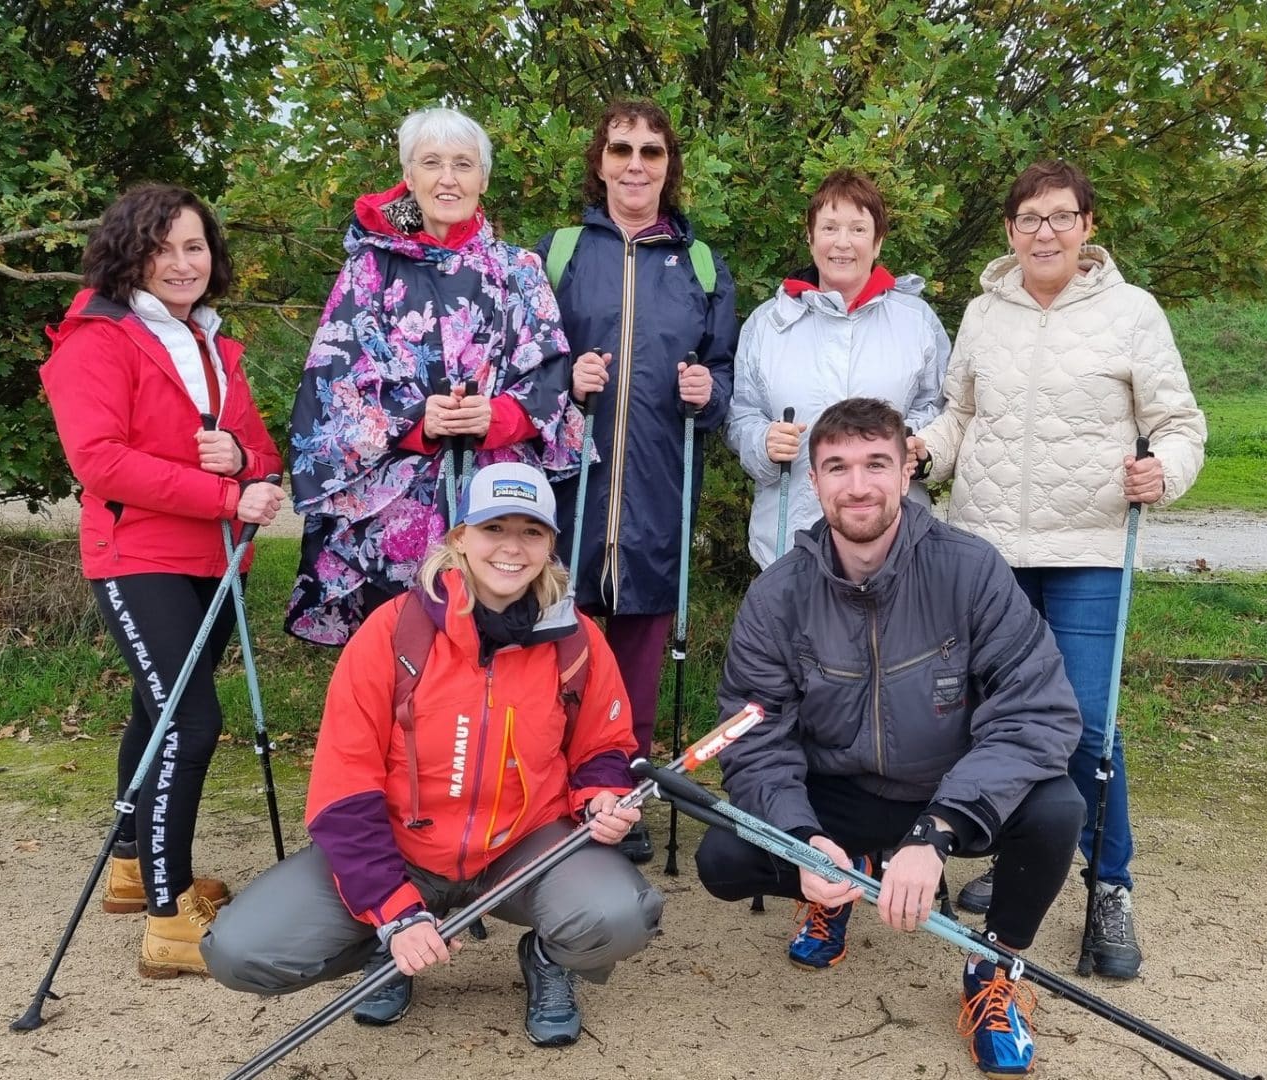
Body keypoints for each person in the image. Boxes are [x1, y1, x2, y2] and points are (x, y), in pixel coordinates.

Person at [204, 462, 660, 1046]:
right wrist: (393, 908)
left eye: (531, 532)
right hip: (403, 850)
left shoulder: (576, 639)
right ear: (458, 538)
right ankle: (388, 945)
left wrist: (601, 796)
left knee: (622, 914)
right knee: (241, 953)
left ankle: (550, 958)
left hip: (521, 847)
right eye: (495, 528)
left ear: (550, 545)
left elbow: (604, 746)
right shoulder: (392, 633)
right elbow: (344, 789)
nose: (512, 549)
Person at [696, 398, 1085, 1075]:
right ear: (812, 482)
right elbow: (755, 737)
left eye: (877, 462)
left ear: (907, 469)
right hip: (839, 793)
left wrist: (938, 831)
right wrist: (803, 837)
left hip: (949, 790)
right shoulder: (777, 594)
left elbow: (1037, 713)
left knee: (1059, 808)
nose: (858, 485)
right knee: (726, 856)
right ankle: (839, 882)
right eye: (837, 466)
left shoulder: (971, 569)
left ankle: (993, 967)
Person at [918, 160, 1207, 982]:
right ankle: (1018, 863)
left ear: (1088, 225)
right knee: (988, 723)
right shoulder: (984, 312)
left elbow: (1179, 423)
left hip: (1087, 552)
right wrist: (922, 452)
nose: (1044, 232)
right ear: (1009, 231)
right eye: (1029, 219)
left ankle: (1108, 882)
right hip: (987, 553)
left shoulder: (1131, 313)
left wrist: (1167, 471)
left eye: (1061, 217)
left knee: (1084, 728)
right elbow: (959, 417)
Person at [41, 183, 286, 978]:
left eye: (194, 246)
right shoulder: (96, 339)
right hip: (137, 554)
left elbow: (259, 451)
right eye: (163, 247)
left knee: (156, 713)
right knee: (192, 722)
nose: (182, 263)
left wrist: (244, 466)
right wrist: (224, 490)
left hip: (215, 562)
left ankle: (127, 864)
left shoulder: (212, 343)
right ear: (130, 253)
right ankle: (168, 913)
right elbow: (99, 461)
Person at [285, 106, 582, 647]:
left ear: (483, 179)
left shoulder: (518, 270)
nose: (449, 178)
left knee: (492, 647)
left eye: (464, 164)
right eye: (432, 163)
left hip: (494, 498)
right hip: (396, 499)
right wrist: (417, 422)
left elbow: (550, 372)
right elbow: (333, 383)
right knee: (401, 650)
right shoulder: (369, 270)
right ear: (410, 176)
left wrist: (498, 417)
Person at [537, 99, 738, 862]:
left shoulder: (701, 264)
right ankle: (552, 800)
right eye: (621, 148)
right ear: (599, 160)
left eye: (651, 152)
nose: (635, 163)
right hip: (570, 495)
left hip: (656, 490)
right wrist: (565, 375)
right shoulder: (555, 253)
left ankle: (621, 802)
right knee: (557, 653)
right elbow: (520, 363)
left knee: (638, 666)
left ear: (667, 167)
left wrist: (707, 395)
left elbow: (724, 375)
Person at [725, 170, 949, 568]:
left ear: (877, 241)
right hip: (790, 539)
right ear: (810, 238)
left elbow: (939, 407)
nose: (842, 243)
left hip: (895, 540)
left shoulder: (917, 322)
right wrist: (762, 441)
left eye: (858, 228)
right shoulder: (767, 324)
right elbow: (741, 413)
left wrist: (916, 440)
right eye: (829, 227)